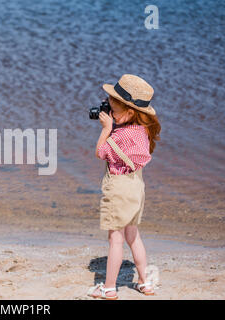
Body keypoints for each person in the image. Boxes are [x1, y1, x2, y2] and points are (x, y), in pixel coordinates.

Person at [89, 74, 161, 299]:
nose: (109, 113)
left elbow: (100, 153)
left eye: (113, 109)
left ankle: (109, 288)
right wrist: (114, 124)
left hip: (119, 188)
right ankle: (144, 282)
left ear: (129, 112)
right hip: (136, 188)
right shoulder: (142, 132)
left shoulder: (117, 136)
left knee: (116, 239)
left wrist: (106, 129)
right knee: (133, 236)